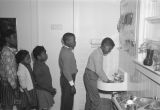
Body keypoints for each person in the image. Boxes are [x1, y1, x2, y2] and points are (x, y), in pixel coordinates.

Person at [83, 37, 115, 110]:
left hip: (88, 76)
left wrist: (106, 79)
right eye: (109, 49)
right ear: (105, 45)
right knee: (96, 101)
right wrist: (107, 80)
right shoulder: (98, 54)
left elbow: (99, 70)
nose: (109, 51)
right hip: (90, 77)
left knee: (89, 99)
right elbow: (99, 70)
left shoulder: (97, 52)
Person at [32, 46, 56, 110]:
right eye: (44, 53)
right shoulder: (38, 67)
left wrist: (50, 88)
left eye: (45, 52)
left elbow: (45, 79)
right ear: (38, 57)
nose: (46, 55)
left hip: (46, 90)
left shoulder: (41, 64)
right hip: (42, 92)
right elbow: (40, 82)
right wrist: (50, 89)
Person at [59, 33, 78, 110]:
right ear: (67, 42)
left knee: (66, 101)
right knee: (68, 103)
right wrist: (72, 85)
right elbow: (66, 71)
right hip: (68, 79)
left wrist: (75, 69)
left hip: (67, 78)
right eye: (73, 41)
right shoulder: (67, 53)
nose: (75, 42)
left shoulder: (65, 49)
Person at [0, 29, 18, 110]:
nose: (15, 39)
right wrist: (15, 87)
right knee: (8, 106)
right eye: (13, 37)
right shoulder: (7, 52)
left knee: (10, 104)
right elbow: (9, 72)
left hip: (9, 83)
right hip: (8, 84)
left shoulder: (8, 51)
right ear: (7, 39)